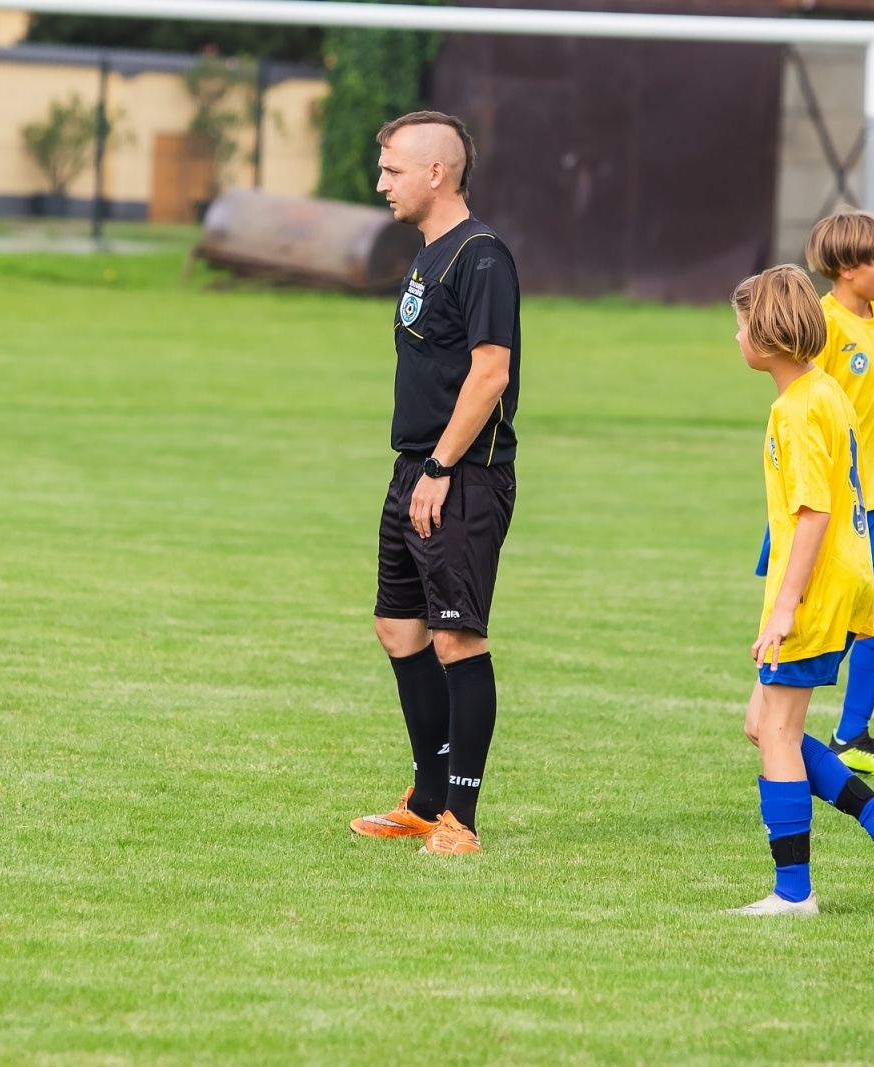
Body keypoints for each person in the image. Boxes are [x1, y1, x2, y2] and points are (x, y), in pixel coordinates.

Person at [728, 264, 874, 917]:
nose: (735, 337)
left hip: (812, 591)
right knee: (763, 724)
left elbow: (813, 510)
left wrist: (785, 605)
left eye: (739, 325)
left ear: (764, 334)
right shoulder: (824, 393)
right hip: (839, 580)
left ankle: (794, 893)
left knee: (780, 731)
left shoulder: (797, 408)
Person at [347, 111, 521, 857]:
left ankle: (462, 819)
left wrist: (442, 468)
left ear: (435, 174)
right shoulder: (429, 254)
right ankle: (424, 799)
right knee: (400, 628)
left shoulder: (480, 256)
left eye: (391, 169)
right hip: (413, 468)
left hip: (461, 476)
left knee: (456, 637)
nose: (381, 181)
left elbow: (491, 372)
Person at [803, 210, 874, 780]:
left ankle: (851, 738)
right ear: (847, 268)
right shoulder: (823, 325)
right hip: (831, 500)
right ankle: (786, 711)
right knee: (832, 617)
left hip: (868, 493)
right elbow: (804, 401)